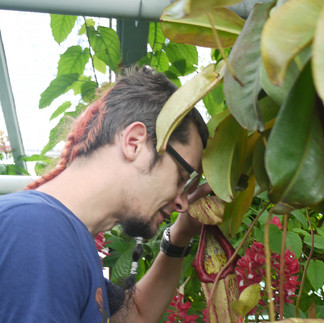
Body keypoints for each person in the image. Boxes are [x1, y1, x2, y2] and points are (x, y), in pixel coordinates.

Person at [0, 66, 210, 322]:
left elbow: (136, 316)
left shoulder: (60, 237)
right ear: (134, 142)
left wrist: (180, 235)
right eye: (181, 176)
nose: (182, 203)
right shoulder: (38, 231)